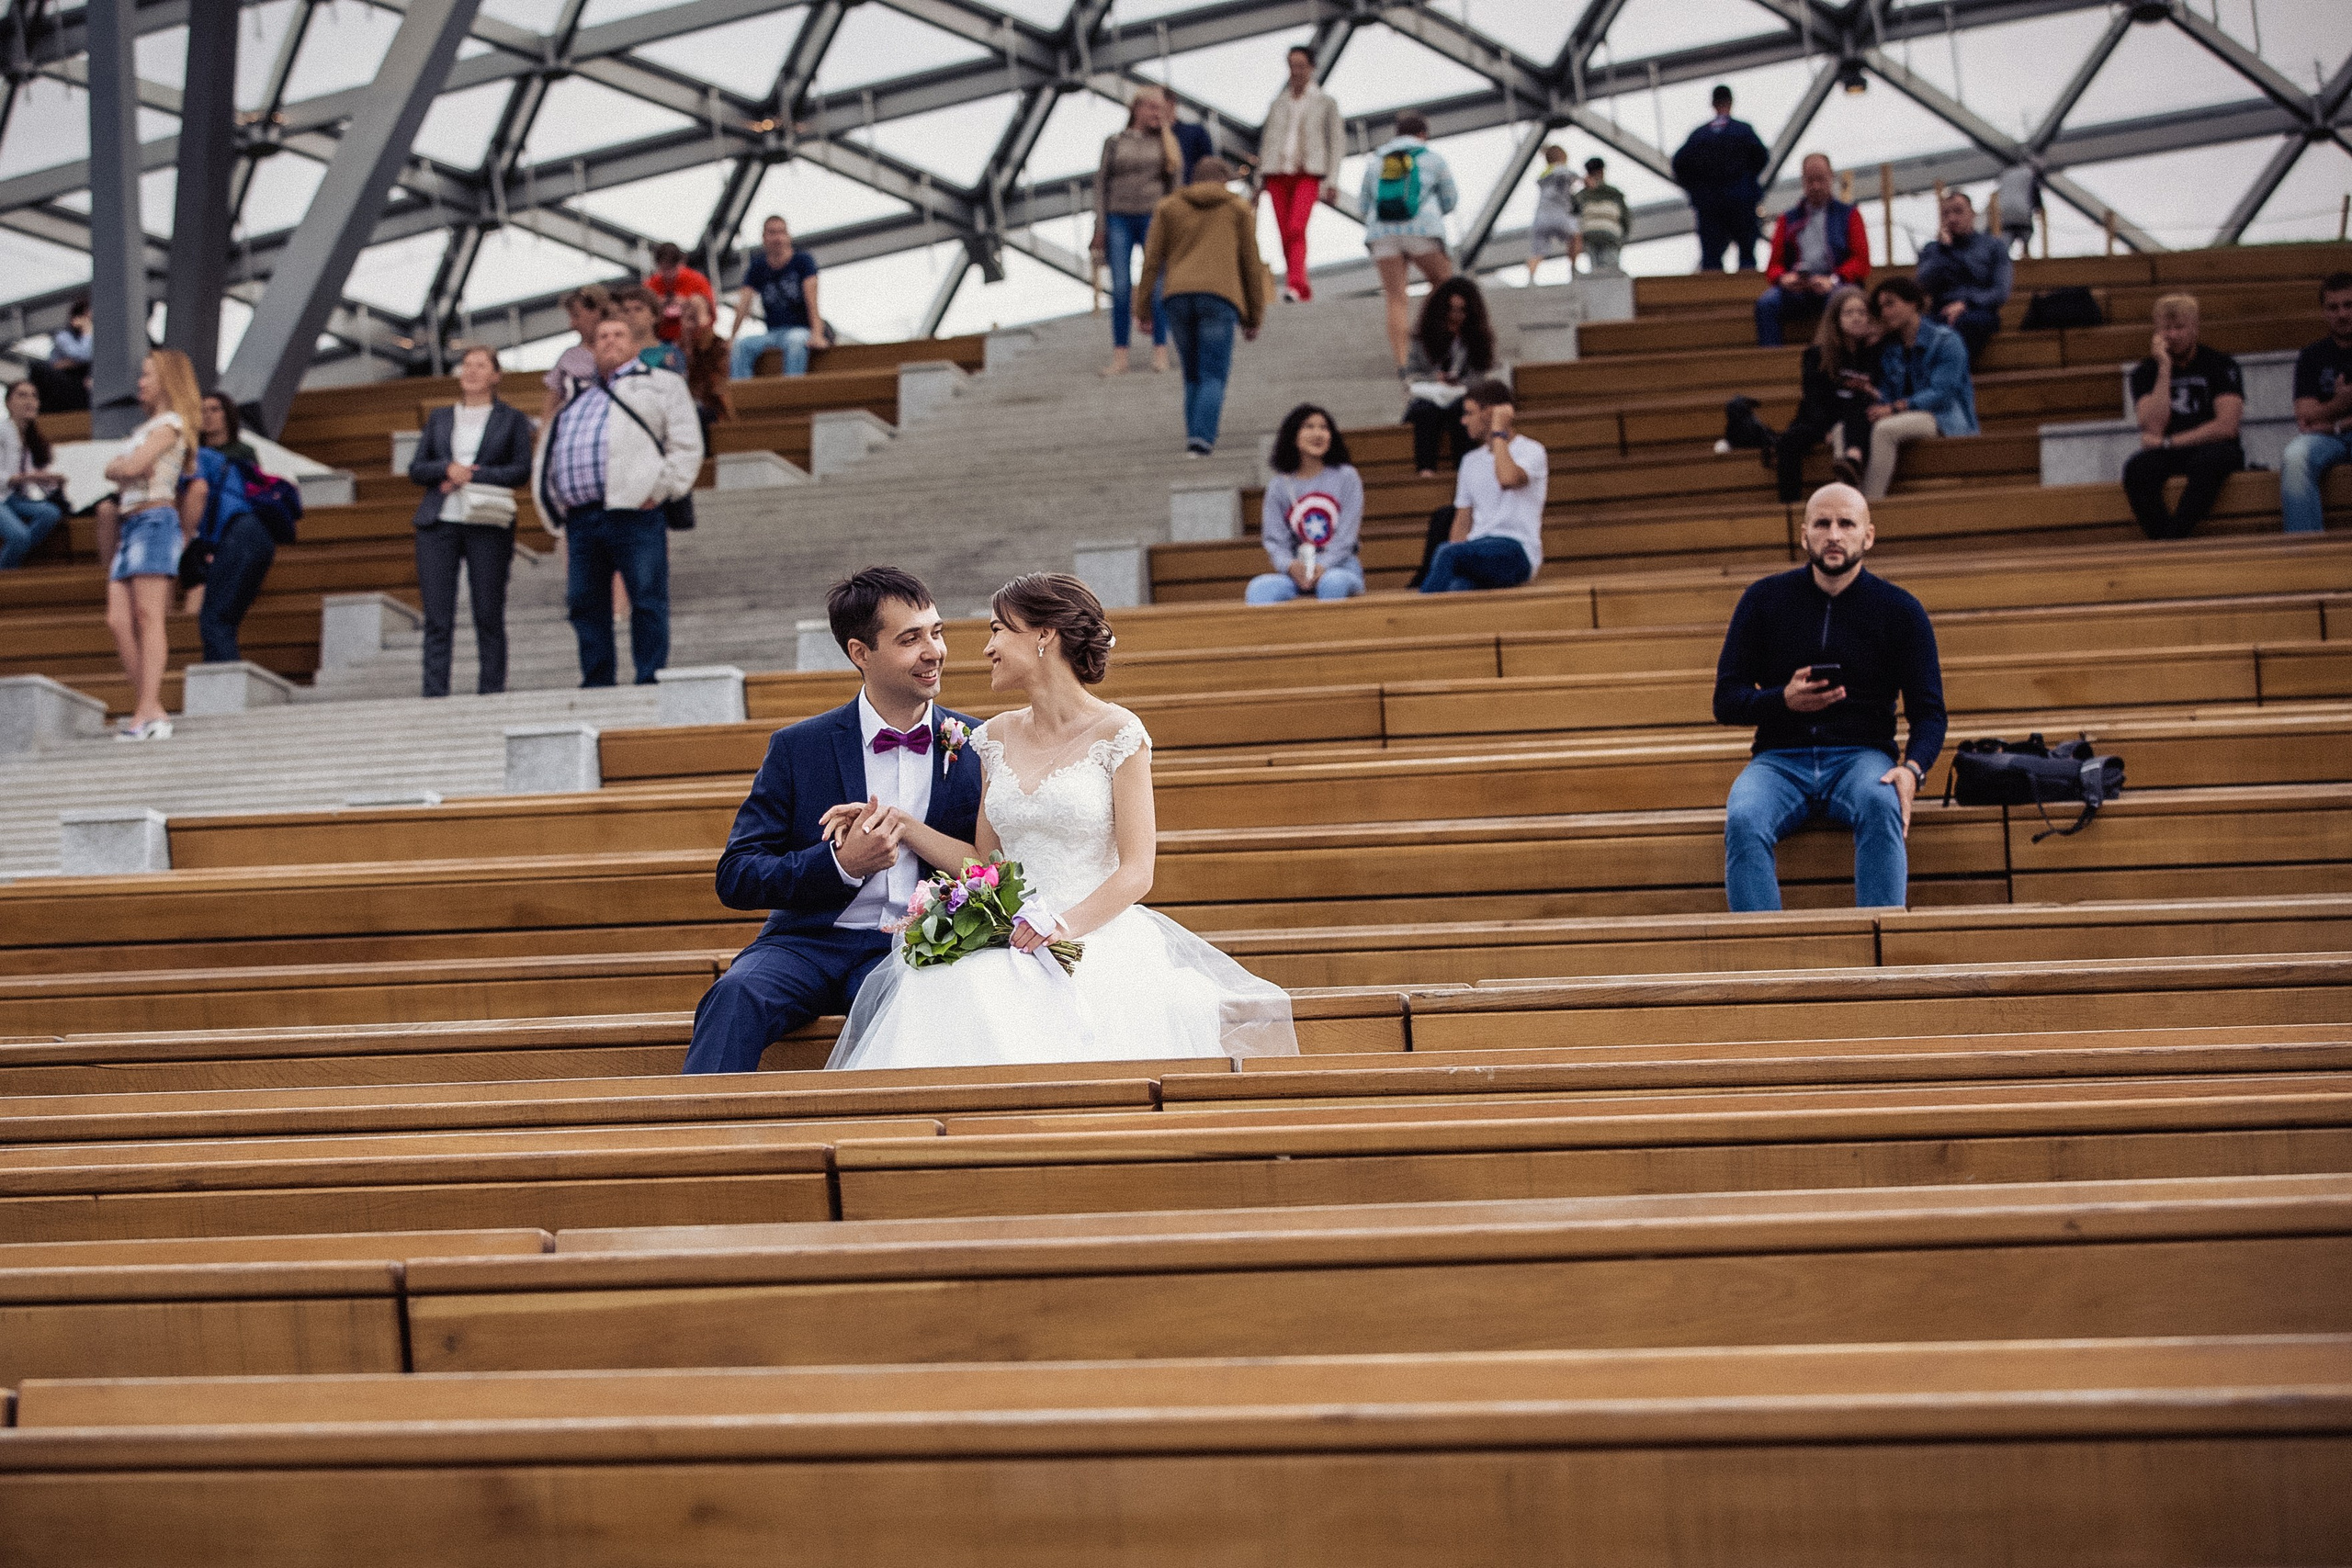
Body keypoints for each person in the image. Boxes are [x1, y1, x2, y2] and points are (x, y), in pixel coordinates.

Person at [824, 571, 1295, 1069]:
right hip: (1013, 933)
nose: (987, 648)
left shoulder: (1120, 732)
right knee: (946, 985)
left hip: (1095, 933)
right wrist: (899, 822)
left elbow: (1138, 871)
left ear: (1044, 636)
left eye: (999, 630)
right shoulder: (994, 737)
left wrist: (1062, 926)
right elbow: (987, 863)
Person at [684, 568, 987, 1075]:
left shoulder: (977, 745)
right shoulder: (799, 747)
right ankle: (697, 1148)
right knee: (734, 995)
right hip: (806, 942)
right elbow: (736, 875)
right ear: (859, 653)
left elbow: (991, 866)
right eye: (910, 639)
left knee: (908, 1011)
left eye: (937, 632)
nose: (933, 650)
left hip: (913, 946)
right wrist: (840, 864)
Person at [1713, 482, 1947, 912]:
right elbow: (1726, 700)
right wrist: (1783, 700)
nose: (1834, 535)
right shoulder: (1763, 600)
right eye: (1822, 524)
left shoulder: (1900, 610)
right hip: (1779, 761)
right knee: (1744, 819)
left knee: (1883, 804)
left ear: (1868, 536)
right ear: (1804, 535)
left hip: (1861, 758)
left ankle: (1882, 948)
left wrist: (1913, 770)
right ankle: (1765, 962)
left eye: (1846, 524)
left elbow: (1929, 713)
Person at [532, 315, 702, 687]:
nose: (609, 341)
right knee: (584, 603)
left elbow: (687, 445)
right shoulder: (577, 395)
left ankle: (649, 678)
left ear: (633, 344)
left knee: (646, 597)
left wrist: (657, 491)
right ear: (591, 347)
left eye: (618, 335)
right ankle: (596, 681)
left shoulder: (662, 384)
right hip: (582, 516)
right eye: (602, 336)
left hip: (635, 511)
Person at [410, 344, 533, 698]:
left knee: (488, 610)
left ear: (495, 375)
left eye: (480, 365)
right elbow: (417, 469)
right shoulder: (440, 417)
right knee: (437, 615)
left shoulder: (511, 418)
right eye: (466, 365)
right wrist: (446, 469)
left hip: (487, 521)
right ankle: (435, 693)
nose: (471, 371)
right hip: (440, 520)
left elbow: (520, 470)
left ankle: (491, 690)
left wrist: (474, 475)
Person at [97, 348, 201, 740]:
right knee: (118, 620)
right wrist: (124, 467)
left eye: (147, 375)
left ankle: (145, 711)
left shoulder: (170, 424)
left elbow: (129, 468)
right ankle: (151, 707)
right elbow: (117, 469)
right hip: (132, 521)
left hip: (155, 519)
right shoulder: (150, 429)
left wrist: (124, 467)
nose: (140, 382)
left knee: (147, 616)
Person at [1135, 156, 1266, 457]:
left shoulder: (1168, 207)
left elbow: (1152, 260)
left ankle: (1195, 435)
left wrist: (1142, 309)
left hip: (1177, 297)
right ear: (1223, 180)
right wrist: (1254, 316)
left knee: (1192, 374)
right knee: (1213, 374)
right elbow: (1250, 264)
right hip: (1221, 297)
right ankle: (1201, 440)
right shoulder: (1237, 209)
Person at [2123, 294, 2245, 540]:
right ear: (2157, 332)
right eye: (2166, 329)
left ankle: (2173, 539)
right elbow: (2154, 427)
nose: (2173, 335)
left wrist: (2170, 442)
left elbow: (2226, 427)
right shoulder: (2145, 373)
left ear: (2195, 328)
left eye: (2180, 327)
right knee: (2137, 469)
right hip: (2169, 451)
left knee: (2211, 460)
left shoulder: (2220, 365)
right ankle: (2169, 540)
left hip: (2212, 448)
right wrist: (2164, 368)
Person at [1420, 379, 1548, 594]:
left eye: (1469, 413)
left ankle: (1415, 618)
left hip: (1517, 550)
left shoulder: (1531, 451)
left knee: (1447, 552)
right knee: (1457, 587)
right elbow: (1462, 520)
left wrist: (1498, 432)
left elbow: (1507, 479)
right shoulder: (1470, 460)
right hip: (1476, 549)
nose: (1463, 421)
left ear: (1489, 413)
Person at [1861, 276, 1977, 502]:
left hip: (1944, 417)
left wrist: (1895, 408)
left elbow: (1942, 394)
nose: (1884, 312)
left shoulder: (1946, 341)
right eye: (1881, 307)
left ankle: (1868, 507)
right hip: (1906, 416)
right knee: (1846, 428)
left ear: (1912, 303)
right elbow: (1887, 391)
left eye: (1891, 304)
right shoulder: (1891, 347)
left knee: (1884, 430)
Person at [1360, 110, 1459, 369]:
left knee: (1395, 297)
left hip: (1382, 235)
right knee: (1444, 284)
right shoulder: (1432, 159)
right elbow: (1450, 199)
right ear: (1423, 134)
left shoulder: (1376, 161)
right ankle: (1423, 327)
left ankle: (1403, 364)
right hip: (1423, 230)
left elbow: (1364, 203)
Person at [1090, 89, 1180, 377]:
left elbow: (1175, 187)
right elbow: (1101, 183)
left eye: (1161, 109)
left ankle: (1160, 352)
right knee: (1120, 287)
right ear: (1137, 108)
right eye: (1152, 108)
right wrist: (1099, 226)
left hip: (1154, 217)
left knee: (1157, 284)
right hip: (1118, 217)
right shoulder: (1114, 142)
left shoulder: (1167, 143)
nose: (1158, 114)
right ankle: (1120, 357)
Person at [187, 396, 275, 664]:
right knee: (217, 619)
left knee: (215, 620)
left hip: (231, 533)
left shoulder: (214, 456)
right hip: (237, 536)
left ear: (228, 415)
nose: (208, 416)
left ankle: (225, 688)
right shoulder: (196, 453)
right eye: (203, 411)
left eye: (215, 410)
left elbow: (204, 495)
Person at [1246, 404, 1363, 604]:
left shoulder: (1347, 477)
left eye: (1324, 428)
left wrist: (1323, 565)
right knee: (1259, 589)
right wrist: (1290, 566)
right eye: (1309, 427)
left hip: (1340, 567)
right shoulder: (1278, 486)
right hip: (1298, 572)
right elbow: (1275, 541)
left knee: (1332, 583)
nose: (1318, 433)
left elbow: (1346, 537)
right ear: (1293, 435)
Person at [1777, 286, 1881, 504]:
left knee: (1859, 402)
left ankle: (1853, 468)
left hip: (1856, 418)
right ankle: (1790, 506)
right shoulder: (1816, 354)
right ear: (1836, 319)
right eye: (1849, 313)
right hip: (1821, 418)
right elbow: (1812, 397)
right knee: (1788, 441)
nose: (1856, 318)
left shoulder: (1875, 353)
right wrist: (1825, 430)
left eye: (1862, 313)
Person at [1257, 46, 1345, 303]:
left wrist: (1332, 180)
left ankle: (1296, 283)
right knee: (1285, 231)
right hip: (1276, 173)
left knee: (1296, 227)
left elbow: (1336, 142)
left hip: (1309, 173)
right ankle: (1299, 286)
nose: (1296, 71)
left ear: (1312, 68)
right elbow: (1267, 140)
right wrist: (1260, 177)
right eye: (1292, 65)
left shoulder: (1325, 103)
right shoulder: (1278, 103)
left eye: (1301, 66)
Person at [1754, 154, 1869, 346]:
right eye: (1810, 180)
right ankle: (1771, 364)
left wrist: (1833, 280)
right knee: (1767, 305)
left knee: (1840, 302)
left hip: (1835, 285)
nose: (1815, 186)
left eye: (1820, 179)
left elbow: (1861, 261)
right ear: (1803, 181)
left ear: (1831, 177)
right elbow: (1774, 265)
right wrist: (1784, 278)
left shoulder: (1849, 215)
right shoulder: (1787, 219)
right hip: (1797, 288)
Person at [1401, 276, 1496, 479]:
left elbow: (1480, 376)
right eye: (1452, 310)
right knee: (1425, 411)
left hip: (1461, 397)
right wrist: (1436, 379)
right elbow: (1411, 374)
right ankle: (1426, 471)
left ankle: (1465, 472)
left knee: (1463, 412)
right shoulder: (1422, 337)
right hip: (1429, 397)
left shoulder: (1476, 339)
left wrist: (1459, 383)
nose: (1456, 316)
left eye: (1462, 310)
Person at [2281, 271, 2352, 535]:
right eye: (2333, 307)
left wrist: (2334, 423)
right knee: (2295, 455)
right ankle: (2305, 553)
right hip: (2327, 439)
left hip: (2330, 430)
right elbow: (2305, 416)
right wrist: (2339, 403)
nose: (2342, 314)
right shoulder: (2312, 356)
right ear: (2324, 312)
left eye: (2349, 305)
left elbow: (2316, 419)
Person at [1672, 85, 1769, 273]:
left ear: (1713, 104)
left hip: (1709, 203)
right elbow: (1762, 157)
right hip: (1741, 199)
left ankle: (1713, 293)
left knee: (1712, 257)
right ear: (1731, 103)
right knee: (1747, 253)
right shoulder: (1743, 131)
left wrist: (1696, 188)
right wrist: (1747, 180)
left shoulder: (1699, 136)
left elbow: (1679, 164)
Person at [1914, 190, 2011, 367]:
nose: (1952, 218)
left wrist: (1966, 303)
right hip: (1940, 312)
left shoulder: (1993, 246)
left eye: (1958, 211)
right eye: (1946, 214)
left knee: (1965, 326)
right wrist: (1944, 251)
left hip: (1978, 311)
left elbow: (2000, 292)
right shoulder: (1932, 250)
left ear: (1972, 214)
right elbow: (1923, 284)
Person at [728, 216, 827, 380]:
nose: (778, 238)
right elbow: (744, 302)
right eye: (772, 233)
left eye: (782, 232)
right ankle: (744, 401)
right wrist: (732, 337)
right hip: (773, 332)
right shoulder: (758, 266)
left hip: (800, 330)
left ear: (788, 236)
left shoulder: (802, 261)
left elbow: (813, 302)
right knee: (741, 345)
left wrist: (817, 334)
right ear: (764, 238)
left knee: (795, 341)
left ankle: (792, 396)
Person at [0, 379, 66, 570]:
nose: (29, 401)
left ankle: (15, 554)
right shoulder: (2, 431)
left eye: (34, 396)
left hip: (12, 497)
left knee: (50, 513)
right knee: (19, 536)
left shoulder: (28, 437)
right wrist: (29, 477)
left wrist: (50, 480)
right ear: (8, 403)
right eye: (22, 395)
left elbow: (27, 475)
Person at [543, 284, 614, 419]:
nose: (572, 325)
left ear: (599, 311)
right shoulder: (569, 358)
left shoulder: (627, 352)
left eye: (576, 316)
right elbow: (550, 407)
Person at [676, 291, 732, 442]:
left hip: (710, 407)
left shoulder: (719, 346)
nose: (690, 319)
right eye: (687, 312)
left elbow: (717, 385)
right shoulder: (677, 350)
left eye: (696, 312)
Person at [645, 241, 715, 345]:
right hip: (661, 339)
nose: (668, 274)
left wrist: (687, 304)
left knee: (697, 300)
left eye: (672, 268)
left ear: (681, 263)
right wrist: (657, 304)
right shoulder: (650, 285)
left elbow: (710, 315)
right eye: (664, 269)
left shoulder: (697, 280)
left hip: (693, 340)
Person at [29, 298, 93, 412]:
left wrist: (72, 363)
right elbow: (82, 355)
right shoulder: (63, 336)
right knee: (37, 367)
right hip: (64, 382)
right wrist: (87, 332)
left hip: (84, 386)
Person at [1526, 144, 1577, 284]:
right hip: (1558, 216)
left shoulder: (1544, 174)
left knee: (1537, 252)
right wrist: (1583, 180)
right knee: (1576, 236)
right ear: (1563, 158)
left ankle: (1530, 278)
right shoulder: (1560, 169)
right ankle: (1573, 268)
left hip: (1541, 218)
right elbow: (1566, 174)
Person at [1571, 157, 1628, 274]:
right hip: (1610, 234)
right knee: (1610, 269)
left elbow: (1572, 211)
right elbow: (1625, 218)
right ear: (1602, 171)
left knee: (1596, 269)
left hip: (1591, 233)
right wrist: (1623, 236)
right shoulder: (1614, 193)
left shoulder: (1582, 194)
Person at [616, 284, 683, 376]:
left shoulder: (670, 352)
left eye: (638, 309)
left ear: (654, 316)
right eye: (626, 310)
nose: (631, 314)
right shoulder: (617, 353)